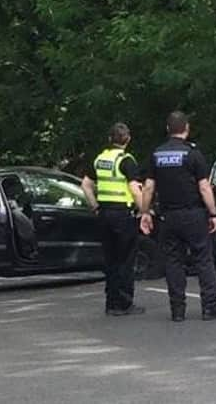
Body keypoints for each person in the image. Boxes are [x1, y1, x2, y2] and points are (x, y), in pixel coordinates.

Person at [140, 111, 216, 322]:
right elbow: (204, 187)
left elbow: (148, 187)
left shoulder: (157, 154)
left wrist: (145, 213)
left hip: (168, 217)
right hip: (193, 215)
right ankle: (210, 307)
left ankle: (177, 310)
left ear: (167, 130)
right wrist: (213, 213)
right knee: (203, 260)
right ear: (187, 129)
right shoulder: (193, 154)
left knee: (173, 261)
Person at [81, 122, 145, 316]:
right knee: (125, 259)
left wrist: (95, 206)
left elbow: (85, 185)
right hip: (123, 215)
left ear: (110, 139)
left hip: (105, 213)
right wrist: (144, 210)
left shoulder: (100, 159)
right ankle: (124, 303)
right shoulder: (126, 160)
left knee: (110, 260)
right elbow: (134, 189)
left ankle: (111, 302)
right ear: (128, 139)